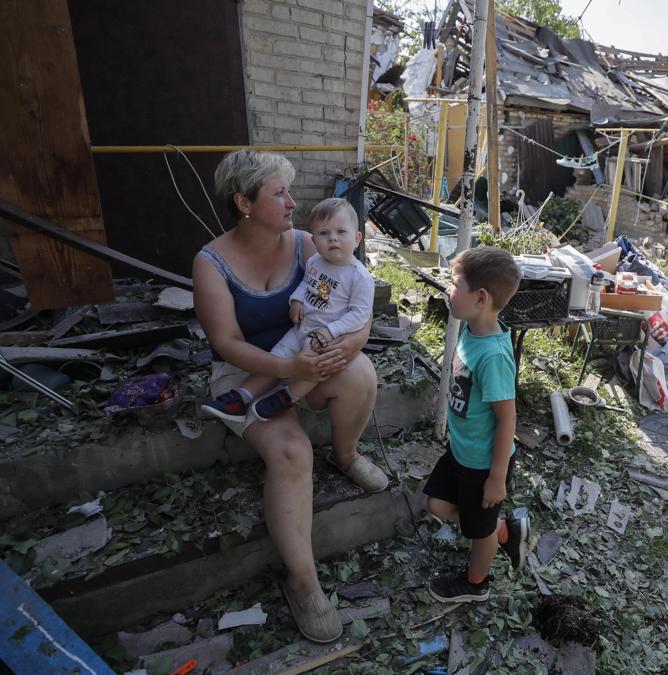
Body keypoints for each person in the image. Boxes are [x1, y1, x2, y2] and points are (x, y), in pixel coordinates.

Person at [192, 150, 387, 644]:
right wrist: (286, 368)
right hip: (249, 371)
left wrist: (338, 350)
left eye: (289, 190)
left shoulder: (308, 244)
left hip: (308, 355)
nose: (291, 201)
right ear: (244, 202)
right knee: (292, 451)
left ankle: (345, 454)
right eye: (279, 192)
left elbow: (357, 314)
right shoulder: (211, 262)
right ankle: (303, 583)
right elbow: (226, 343)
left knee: (361, 372)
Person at [200, 197, 374, 423]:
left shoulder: (359, 276)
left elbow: (360, 314)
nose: (333, 238)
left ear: (357, 238)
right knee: (277, 358)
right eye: (324, 233)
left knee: (317, 367)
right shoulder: (315, 262)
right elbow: (306, 285)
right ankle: (239, 397)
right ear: (314, 239)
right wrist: (296, 301)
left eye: (341, 232)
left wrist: (331, 331)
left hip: (327, 338)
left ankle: (286, 397)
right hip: (301, 328)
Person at [423, 246, 531, 603]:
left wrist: (497, 479)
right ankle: (500, 530)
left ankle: (476, 583)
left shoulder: (495, 357)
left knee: (477, 532)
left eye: (454, 285)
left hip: (484, 467)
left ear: (481, 298)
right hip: (461, 453)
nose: (447, 291)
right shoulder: (470, 328)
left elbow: (506, 421)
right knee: (436, 505)